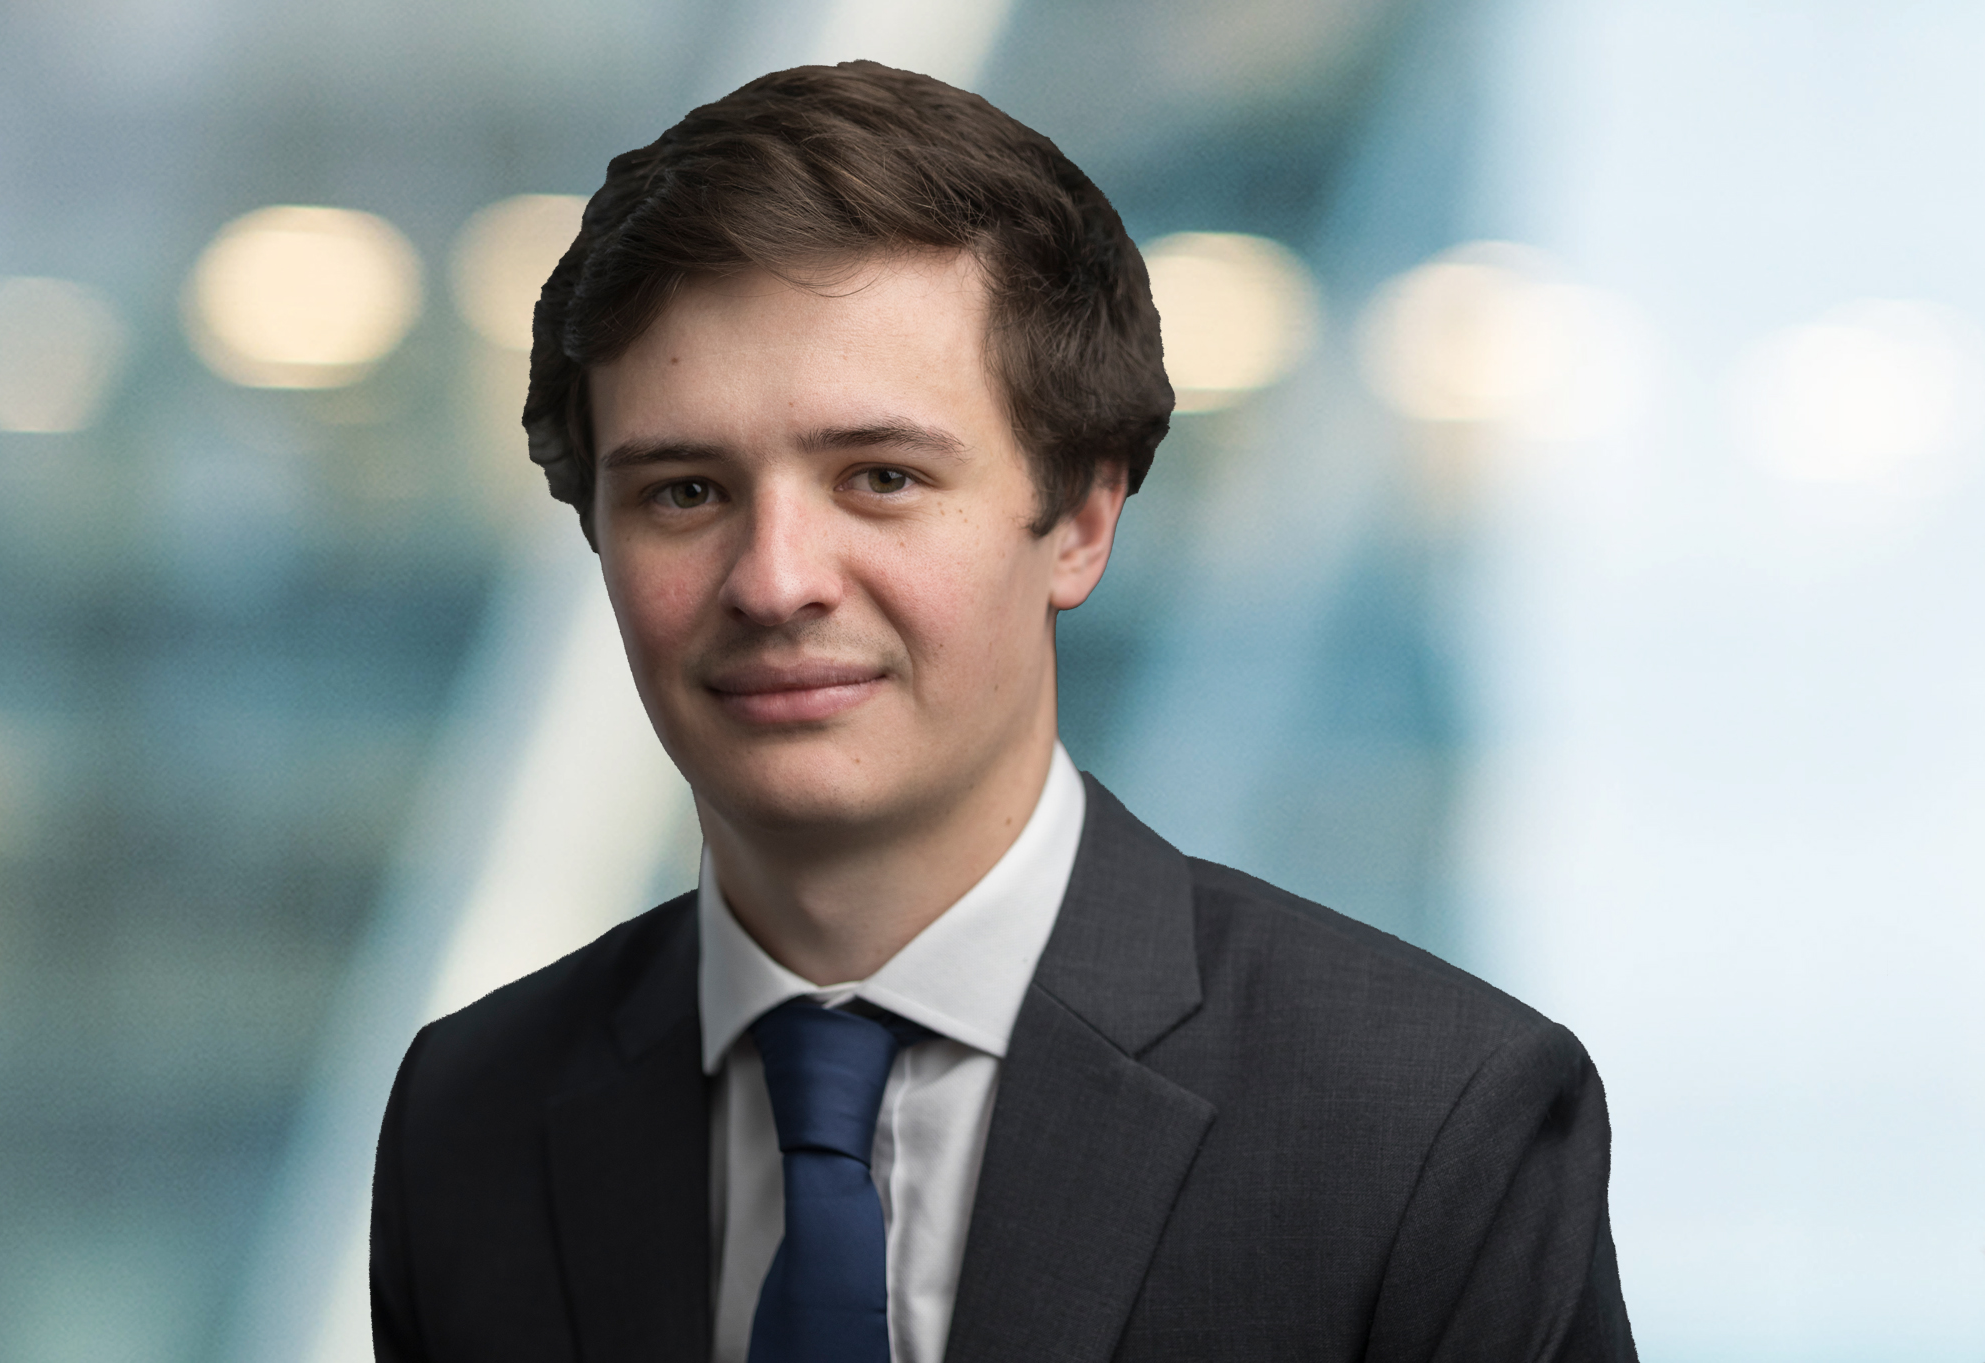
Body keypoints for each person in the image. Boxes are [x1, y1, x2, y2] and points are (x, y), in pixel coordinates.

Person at [369, 61, 1637, 1363]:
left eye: (880, 477)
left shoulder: (1431, 1123)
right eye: (684, 492)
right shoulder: (468, 1118)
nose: (775, 581)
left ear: (1080, 520)